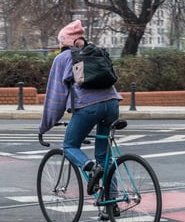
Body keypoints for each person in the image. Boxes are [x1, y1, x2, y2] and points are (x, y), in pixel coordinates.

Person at [38, 20, 122, 194]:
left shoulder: (62, 58)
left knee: (69, 146)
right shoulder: (95, 52)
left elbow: (55, 98)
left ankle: (90, 168)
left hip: (88, 107)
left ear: (64, 42)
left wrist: (45, 126)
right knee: (104, 156)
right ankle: (111, 202)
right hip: (113, 103)